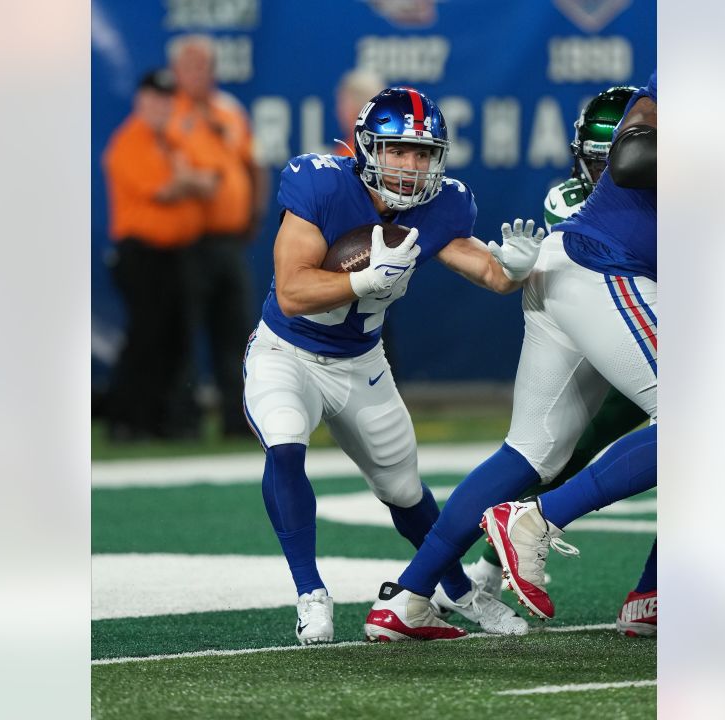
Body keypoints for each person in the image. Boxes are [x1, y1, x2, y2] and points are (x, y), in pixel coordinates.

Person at [243, 87, 545, 645]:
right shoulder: (321, 184)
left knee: (405, 491)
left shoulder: (444, 204)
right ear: (365, 149)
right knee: (285, 440)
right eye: (397, 151)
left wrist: (518, 270)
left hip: (361, 363)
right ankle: (311, 592)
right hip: (288, 352)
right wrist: (361, 280)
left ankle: (456, 591)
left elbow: (490, 273)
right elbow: (290, 291)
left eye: (423, 154)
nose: (411, 166)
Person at [364, 71, 658, 641]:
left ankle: (407, 598)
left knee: (530, 450)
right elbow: (632, 156)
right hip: (610, 268)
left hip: (580, 270)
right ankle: (538, 521)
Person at [457, 86, 657, 637]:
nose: (604, 169)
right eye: (598, 157)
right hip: (608, 309)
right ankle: (512, 538)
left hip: (644, 315)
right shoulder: (579, 199)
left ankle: (654, 587)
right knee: (563, 451)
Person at [101, 68, 218, 441]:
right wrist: (188, 182)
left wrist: (190, 182)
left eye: (167, 99)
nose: (162, 106)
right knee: (146, 338)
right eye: (154, 98)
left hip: (176, 255)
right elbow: (168, 189)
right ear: (141, 101)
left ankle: (165, 420)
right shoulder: (129, 142)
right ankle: (127, 421)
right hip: (142, 255)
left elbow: (210, 181)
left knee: (175, 340)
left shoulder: (171, 140)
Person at [169, 34, 267, 438]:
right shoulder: (167, 114)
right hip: (186, 241)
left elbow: (254, 163)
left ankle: (237, 419)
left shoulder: (229, 110)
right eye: (191, 66)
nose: (199, 74)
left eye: (205, 65)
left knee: (237, 331)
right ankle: (182, 420)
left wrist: (255, 212)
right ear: (177, 71)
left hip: (229, 240)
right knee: (182, 331)